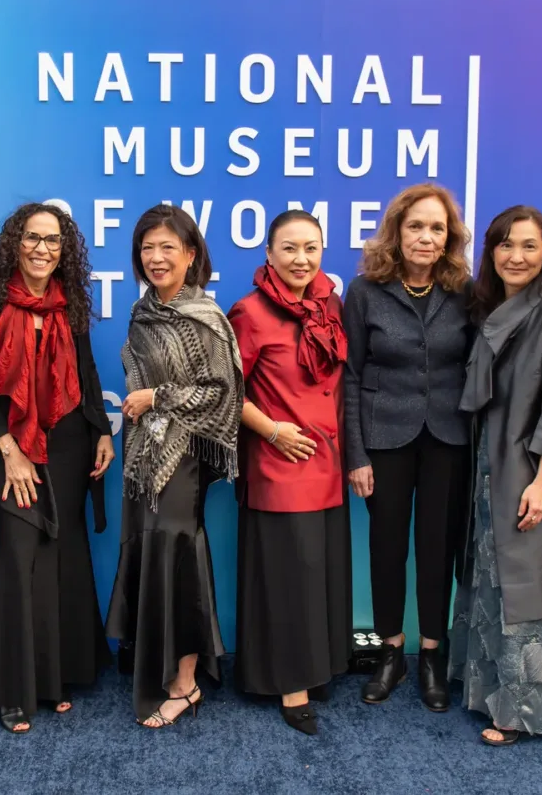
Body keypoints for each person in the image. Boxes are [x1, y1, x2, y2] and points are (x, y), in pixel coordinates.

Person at [0, 203, 115, 735]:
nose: (42, 249)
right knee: (20, 554)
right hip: (12, 444)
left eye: (53, 241)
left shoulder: (69, 299)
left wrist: (101, 430)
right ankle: (13, 689)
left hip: (71, 441)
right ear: (15, 242)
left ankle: (54, 680)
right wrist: (8, 448)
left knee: (63, 551)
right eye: (33, 238)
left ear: (64, 248)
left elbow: (88, 369)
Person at [448, 206, 542, 746]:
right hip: (486, 461)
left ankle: (523, 711)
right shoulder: (488, 309)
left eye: (529, 246)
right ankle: (486, 691)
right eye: (506, 245)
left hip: (529, 468)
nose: (516, 256)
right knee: (489, 573)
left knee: (525, 585)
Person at [105, 204, 243, 728]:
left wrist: (155, 396)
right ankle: (155, 663)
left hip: (183, 460)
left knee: (178, 555)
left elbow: (222, 393)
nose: (157, 258)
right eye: (147, 248)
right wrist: (145, 406)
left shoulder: (205, 318)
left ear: (191, 255)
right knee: (150, 549)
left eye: (168, 248)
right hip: (144, 458)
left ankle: (184, 683)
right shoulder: (143, 312)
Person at [342, 182, 473, 711]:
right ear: (397, 231)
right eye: (415, 225)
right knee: (387, 547)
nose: (425, 236)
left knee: (438, 550)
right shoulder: (365, 291)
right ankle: (391, 653)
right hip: (384, 438)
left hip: (448, 438)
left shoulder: (466, 290)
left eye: (436, 228)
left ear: (449, 237)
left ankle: (434, 655)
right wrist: (355, 454)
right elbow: (348, 376)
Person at [227, 210, 351, 736]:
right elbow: (228, 393)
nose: (302, 259)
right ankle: (291, 685)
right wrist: (273, 430)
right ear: (269, 254)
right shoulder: (249, 312)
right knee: (287, 579)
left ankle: (317, 669)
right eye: (290, 248)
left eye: (312, 248)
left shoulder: (330, 304)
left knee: (320, 576)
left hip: (328, 463)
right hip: (280, 463)